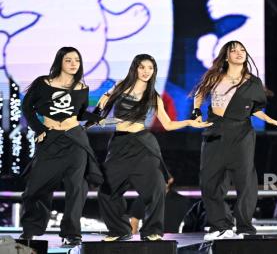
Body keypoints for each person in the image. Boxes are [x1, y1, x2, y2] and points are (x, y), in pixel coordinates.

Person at [93, 54, 211, 241]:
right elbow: (102, 104)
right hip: (119, 144)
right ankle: (119, 230)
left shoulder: (154, 96)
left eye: (150, 67)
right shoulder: (120, 85)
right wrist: (100, 109)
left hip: (143, 144)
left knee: (156, 188)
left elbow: (168, 124)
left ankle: (152, 231)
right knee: (106, 191)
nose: (146, 71)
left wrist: (190, 122)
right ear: (135, 68)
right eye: (142, 67)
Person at [192, 40, 277, 240]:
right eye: (233, 50)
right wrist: (196, 112)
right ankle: (221, 226)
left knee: (245, 180)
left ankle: (244, 226)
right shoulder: (214, 76)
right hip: (215, 130)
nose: (238, 53)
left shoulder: (253, 82)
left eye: (242, 50)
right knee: (209, 181)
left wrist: (270, 119)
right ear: (226, 56)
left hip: (241, 132)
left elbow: (255, 109)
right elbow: (200, 93)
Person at [20, 47, 103, 247]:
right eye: (69, 60)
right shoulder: (43, 83)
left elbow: (80, 113)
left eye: (77, 60)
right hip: (50, 139)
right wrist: (39, 128)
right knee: (35, 188)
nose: (74, 64)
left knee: (76, 188)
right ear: (60, 62)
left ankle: (72, 233)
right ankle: (31, 229)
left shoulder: (82, 87)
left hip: (75, 139)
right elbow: (27, 108)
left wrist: (96, 117)